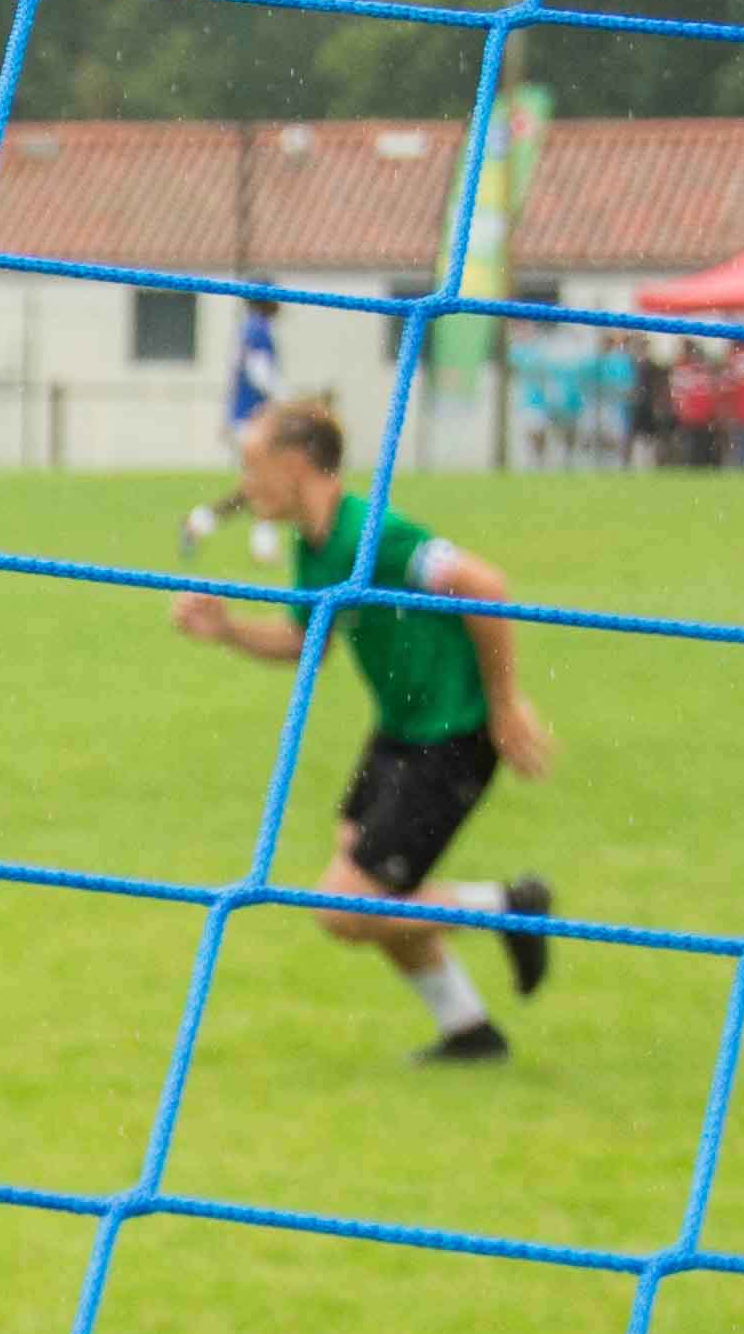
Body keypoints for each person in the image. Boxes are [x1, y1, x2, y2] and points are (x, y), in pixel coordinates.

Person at [173, 394, 560, 1063]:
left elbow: (486, 587)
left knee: (345, 909)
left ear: (295, 464)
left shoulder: (372, 534)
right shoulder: (315, 544)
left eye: (252, 464)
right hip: (400, 732)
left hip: (451, 736)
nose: (244, 483)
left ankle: (508, 906)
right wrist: (228, 630)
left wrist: (502, 705)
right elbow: (306, 644)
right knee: (367, 881)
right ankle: (468, 1030)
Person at [176, 291, 286, 555]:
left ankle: (198, 523)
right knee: (265, 480)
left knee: (259, 482)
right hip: (251, 418)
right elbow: (259, 373)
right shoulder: (258, 329)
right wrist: (285, 398)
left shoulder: (247, 328)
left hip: (244, 416)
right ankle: (263, 546)